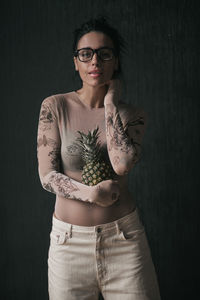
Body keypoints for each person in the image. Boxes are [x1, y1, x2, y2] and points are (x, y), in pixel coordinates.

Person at [37, 16, 161, 300]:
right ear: (76, 61)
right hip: (68, 246)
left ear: (115, 61)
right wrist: (92, 194)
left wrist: (110, 103)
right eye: (86, 54)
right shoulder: (54, 106)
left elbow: (121, 163)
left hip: (124, 241)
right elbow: (47, 176)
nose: (95, 62)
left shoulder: (134, 114)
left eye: (105, 54)